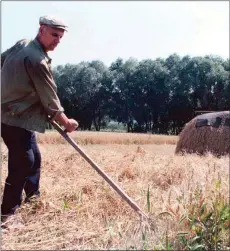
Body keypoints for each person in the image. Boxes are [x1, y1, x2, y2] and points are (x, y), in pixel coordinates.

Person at [1, 15, 79, 220]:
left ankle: (33, 200)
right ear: (41, 29)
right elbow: (50, 99)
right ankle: (8, 214)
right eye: (54, 35)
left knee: (34, 161)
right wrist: (67, 122)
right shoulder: (38, 61)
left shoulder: (22, 44)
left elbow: (1, 60)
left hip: (20, 117)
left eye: (60, 37)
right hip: (14, 119)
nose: (57, 41)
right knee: (23, 162)